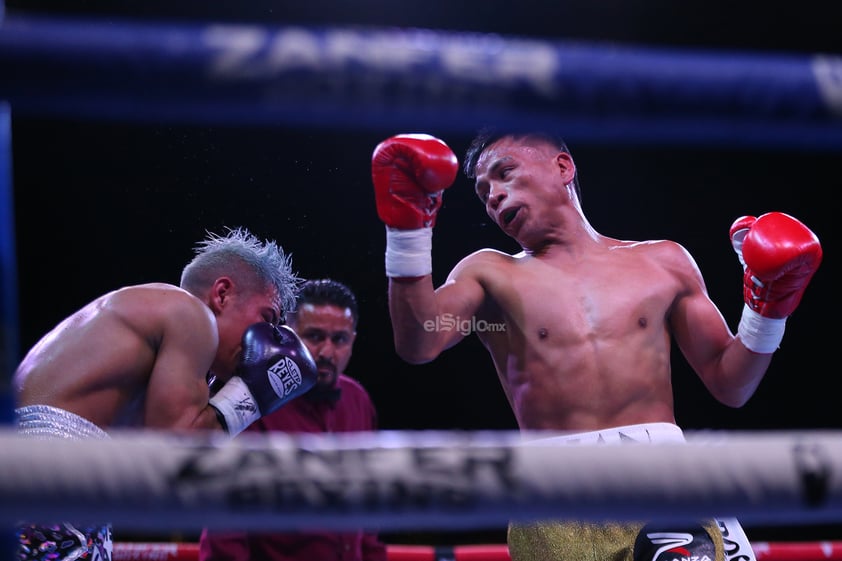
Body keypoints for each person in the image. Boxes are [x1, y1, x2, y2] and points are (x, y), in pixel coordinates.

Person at [370, 131, 823, 561]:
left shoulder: (663, 262)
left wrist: (767, 309)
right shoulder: (490, 276)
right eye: (483, 190)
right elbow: (421, 339)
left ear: (562, 166)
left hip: (665, 475)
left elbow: (731, 384)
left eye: (504, 172)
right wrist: (408, 231)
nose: (492, 195)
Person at [13, 226, 319, 561]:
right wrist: (251, 395)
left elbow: (146, 479)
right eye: (267, 318)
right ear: (222, 294)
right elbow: (172, 453)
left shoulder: (142, 331)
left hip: (39, 479)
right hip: (54, 480)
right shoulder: (191, 314)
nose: (267, 339)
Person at [198, 277, 387, 561]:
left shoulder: (357, 400)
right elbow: (226, 519)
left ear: (353, 341)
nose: (326, 352)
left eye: (339, 340)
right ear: (289, 333)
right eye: (314, 336)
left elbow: (369, 513)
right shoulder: (251, 398)